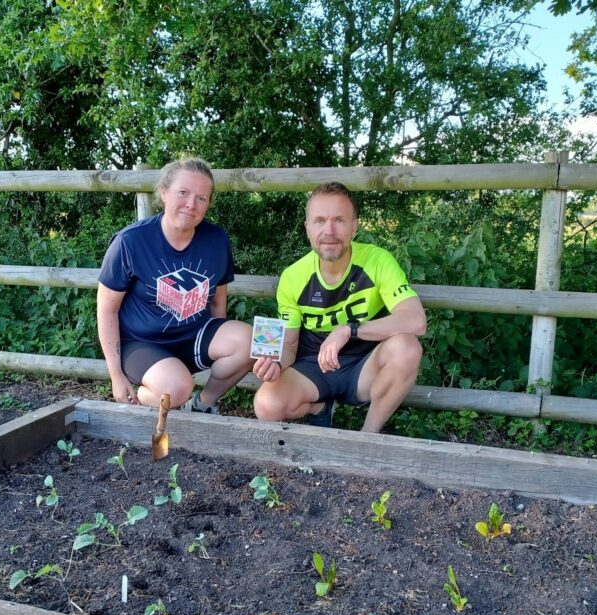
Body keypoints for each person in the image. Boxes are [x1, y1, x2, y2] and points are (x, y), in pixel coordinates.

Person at [253, 182, 426, 433]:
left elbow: (415, 321)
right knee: (266, 406)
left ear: (354, 227)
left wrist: (349, 329)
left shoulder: (378, 260)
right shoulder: (292, 276)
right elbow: (289, 346)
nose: (329, 230)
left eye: (339, 220)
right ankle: (319, 408)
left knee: (407, 348)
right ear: (307, 228)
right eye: (320, 220)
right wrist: (275, 364)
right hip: (313, 369)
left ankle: (367, 436)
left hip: (364, 366)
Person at [97, 157, 253, 413]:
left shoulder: (216, 240)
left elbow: (217, 300)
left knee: (248, 341)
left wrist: (217, 346)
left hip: (192, 337)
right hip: (142, 343)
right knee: (178, 387)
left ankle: (202, 404)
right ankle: (153, 392)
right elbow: (106, 309)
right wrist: (116, 375)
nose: (191, 204)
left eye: (202, 198)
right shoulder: (130, 242)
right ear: (163, 192)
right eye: (183, 192)